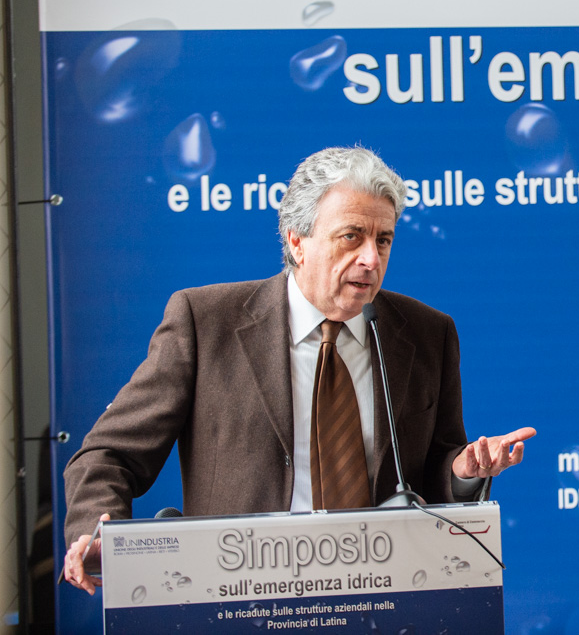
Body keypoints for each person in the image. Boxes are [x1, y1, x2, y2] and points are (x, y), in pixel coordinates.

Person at [62, 146, 535, 593]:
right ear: (297, 240)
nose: (371, 259)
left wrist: (462, 472)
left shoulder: (428, 332)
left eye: (383, 240)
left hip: (385, 596)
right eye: (352, 236)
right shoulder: (205, 323)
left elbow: (429, 473)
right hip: (241, 595)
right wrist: (97, 530)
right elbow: (108, 455)